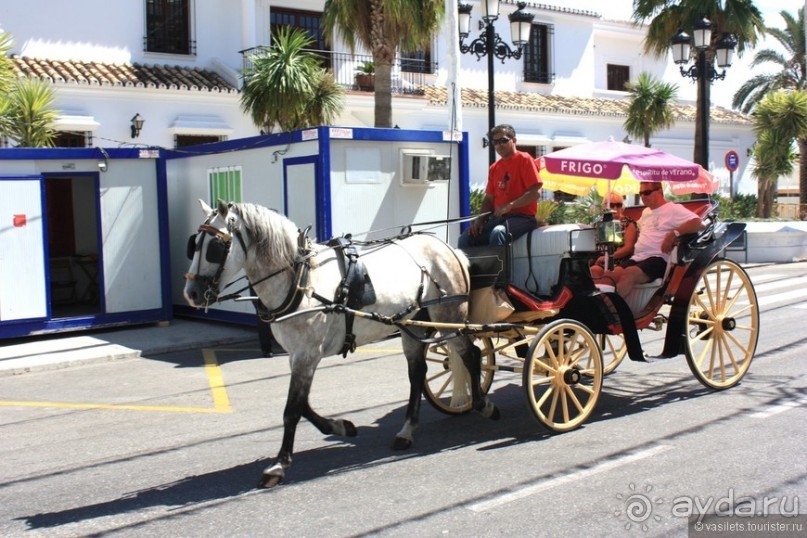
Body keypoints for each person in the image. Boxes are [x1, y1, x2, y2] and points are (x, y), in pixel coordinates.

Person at [595, 182, 704, 297]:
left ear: (659, 192)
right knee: (609, 276)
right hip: (638, 258)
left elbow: (699, 224)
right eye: (640, 193)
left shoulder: (673, 209)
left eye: (647, 192)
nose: (643, 196)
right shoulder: (646, 212)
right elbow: (636, 229)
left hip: (658, 258)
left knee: (630, 273)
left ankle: (611, 311)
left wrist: (674, 234)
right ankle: (601, 307)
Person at [458, 124, 542, 248]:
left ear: (513, 140)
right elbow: (489, 199)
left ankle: (501, 268)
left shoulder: (525, 159)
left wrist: (510, 205)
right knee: (466, 237)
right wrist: (479, 221)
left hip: (523, 218)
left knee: (498, 233)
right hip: (500, 219)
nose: (499, 145)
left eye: (503, 140)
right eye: (495, 142)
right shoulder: (494, 168)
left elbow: (536, 192)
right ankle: (474, 268)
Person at [590, 192, 638, 279]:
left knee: (606, 274)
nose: (615, 208)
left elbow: (629, 248)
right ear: (605, 206)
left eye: (618, 205)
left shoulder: (628, 223)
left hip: (619, 261)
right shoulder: (598, 224)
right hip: (599, 261)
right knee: (593, 271)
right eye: (611, 205)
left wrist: (607, 257)